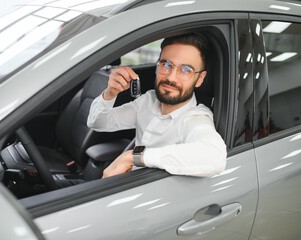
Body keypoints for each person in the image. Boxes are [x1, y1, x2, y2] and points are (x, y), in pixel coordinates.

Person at [87, 33, 227, 178]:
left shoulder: (195, 118)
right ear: (156, 66)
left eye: (186, 70)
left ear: (200, 79)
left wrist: (133, 157)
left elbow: (215, 157)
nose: (171, 77)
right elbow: (97, 122)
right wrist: (109, 94)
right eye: (166, 64)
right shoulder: (148, 100)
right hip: (128, 182)